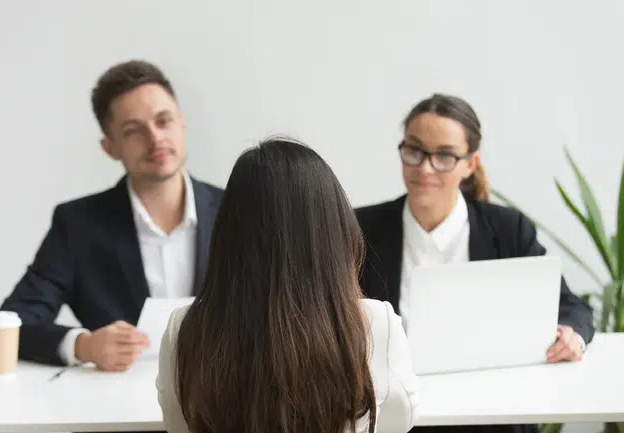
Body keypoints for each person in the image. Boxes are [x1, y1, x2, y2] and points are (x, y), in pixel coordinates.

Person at [356, 93, 595, 433]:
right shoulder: (362, 229)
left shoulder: (508, 229)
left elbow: (571, 307)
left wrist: (573, 337)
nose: (425, 167)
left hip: (494, 411)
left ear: (470, 163)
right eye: (414, 150)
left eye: (444, 156)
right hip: (401, 413)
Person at [156, 138, 419, 433]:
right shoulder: (374, 323)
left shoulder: (185, 327)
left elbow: (178, 425)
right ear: (334, 230)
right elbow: (400, 422)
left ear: (228, 235)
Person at [0, 60, 223, 372]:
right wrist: (83, 345)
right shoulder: (78, 224)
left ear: (182, 123)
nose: (155, 138)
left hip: (223, 410)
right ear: (110, 147)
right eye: (134, 131)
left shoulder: (237, 209)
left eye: (164, 121)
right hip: (116, 413)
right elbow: (14, 322)